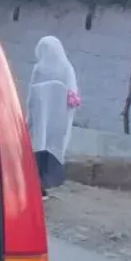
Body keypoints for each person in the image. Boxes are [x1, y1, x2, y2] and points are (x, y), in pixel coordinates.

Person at [27, 36, 81, 194]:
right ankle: (48, 181)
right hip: (59, 119)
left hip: (42, 119)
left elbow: (32, 95)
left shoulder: (39, 69)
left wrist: (29, 118)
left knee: (40, 145)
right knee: (53, 146)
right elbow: (73, 96)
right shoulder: (67, 68)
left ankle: (38, 182)